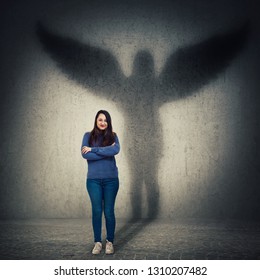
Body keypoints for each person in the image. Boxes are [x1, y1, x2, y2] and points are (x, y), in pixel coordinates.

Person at [81, 110, 120, 255]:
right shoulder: (87, 136)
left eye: (106, 120)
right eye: (100, 120)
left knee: (109, 212)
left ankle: (109, 241)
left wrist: (94, 149)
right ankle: (97, 242)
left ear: (108, 122)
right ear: (96, 121)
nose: (103, 122)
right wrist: (105, 151)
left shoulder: (113, 136)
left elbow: (116, 150)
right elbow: (85, 155)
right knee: (97, 211)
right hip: (93, 180)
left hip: (111, 180)